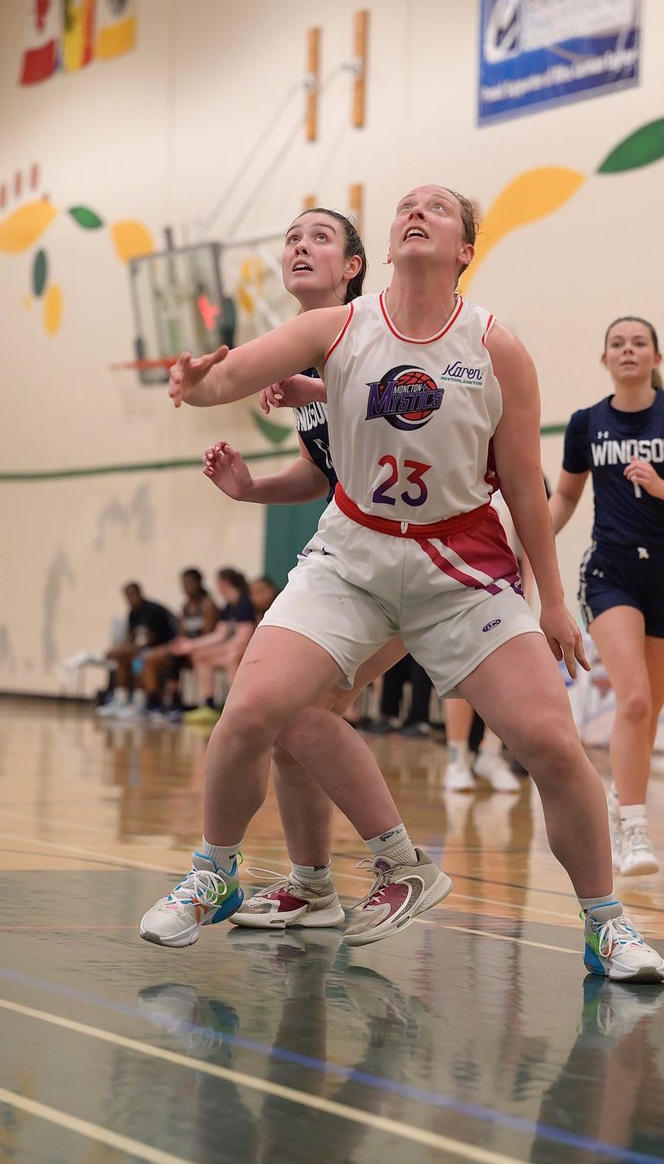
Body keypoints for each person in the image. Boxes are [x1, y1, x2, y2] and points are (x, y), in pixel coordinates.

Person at [141, 184, 664, 983]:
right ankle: (215, 872)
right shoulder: (338, 326)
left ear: (464, 250)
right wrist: (198, 382)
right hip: (352, 555)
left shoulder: (496, 348)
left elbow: (525, 488)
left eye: (438, 209)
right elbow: (235, 374)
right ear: (386, 249)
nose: (417, 212)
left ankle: (606, 924)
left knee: (553, 746)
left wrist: (555, 601)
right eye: (407, 207)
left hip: (460, 566)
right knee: (253, 708)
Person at [195, 206, 408, 933]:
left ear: (353, 266)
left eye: (320, 237)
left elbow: (406, 416)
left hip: (423, 557)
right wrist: (252, 489)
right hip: (356, 555)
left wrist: (313, 389)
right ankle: (313, 886)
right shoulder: (299, 354)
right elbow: (323, 473)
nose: (300, 246)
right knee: (296, 720)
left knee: (299, 712)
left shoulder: (375, 333)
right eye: (291, 238)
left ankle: (400, 864)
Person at [549, 317, 664, 877]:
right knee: (632, 700)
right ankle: (634, 830)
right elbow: (565, 499)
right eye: (617, 344)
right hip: (612, 571)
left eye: (639, 343)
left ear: (656, 357)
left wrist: (662, 486)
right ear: (604, 359)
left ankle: (620, 794)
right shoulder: (586, 424)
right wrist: (524, 542)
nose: (628, 351)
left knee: (645, 710)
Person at [174, 568, 257, 724]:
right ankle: (209, 705)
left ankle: (236, 706)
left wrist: (223, 649)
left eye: (217, 582)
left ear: (224, 583)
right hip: (233, 647)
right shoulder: (228, 606)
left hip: (250, 649)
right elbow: (219, 634)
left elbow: (244, 637)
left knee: (232, 656)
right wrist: (192, 645)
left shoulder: (244, 603)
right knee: (201, 656)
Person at [139, 567, 219, 722]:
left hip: (201, 648)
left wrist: (186, 647)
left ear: (199, 583)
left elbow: (208, 636)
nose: (186, 587)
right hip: (185, 648)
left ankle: (174, 702)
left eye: (189, 583)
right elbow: (181, 635)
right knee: (147, 659)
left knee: (173, 658)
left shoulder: (208, 605)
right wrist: (166, 648)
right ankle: (153, 702)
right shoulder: (185, 606)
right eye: (183, 584)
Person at [98, 582, 178, 717]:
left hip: (165, 647)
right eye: (127, 597)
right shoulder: (133, 613)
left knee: (138, 661)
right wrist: (118, 649)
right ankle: (121, 699)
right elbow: (131, 637)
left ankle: (141, 701)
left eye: (132, 595)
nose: (130, 599)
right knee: (122, 658)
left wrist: (126, 650)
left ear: (140, 593)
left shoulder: (153, 611)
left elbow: (150, 641)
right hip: (144, 649)